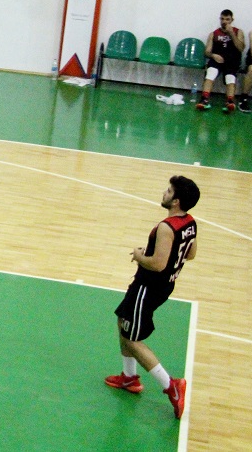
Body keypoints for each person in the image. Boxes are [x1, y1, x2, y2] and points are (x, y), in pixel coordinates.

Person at [105, 175, 200, 420]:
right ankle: (129, 378)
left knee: (132, 340)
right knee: (122, 321)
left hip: (148, 288)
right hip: (162, 286)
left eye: (168, 191)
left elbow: (157, 264)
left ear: (176, 201)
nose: (164, 193)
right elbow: (190, 254)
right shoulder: (190, 223)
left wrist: (139, 256)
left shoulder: (167, 227)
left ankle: (171, 386)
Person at [195, 9, 245, 113]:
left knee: (230, 78)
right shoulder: (214, 34)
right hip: (217, 60)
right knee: (211, 73)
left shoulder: (238, 32)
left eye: (227, 19)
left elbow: (241, 48)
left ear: (232, 20)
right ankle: (204, 99)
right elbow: (207, 52)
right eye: (222, 19)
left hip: (232, 61)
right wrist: (213, 55)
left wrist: (232, 34)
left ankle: (230, 101)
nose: (224, 21)